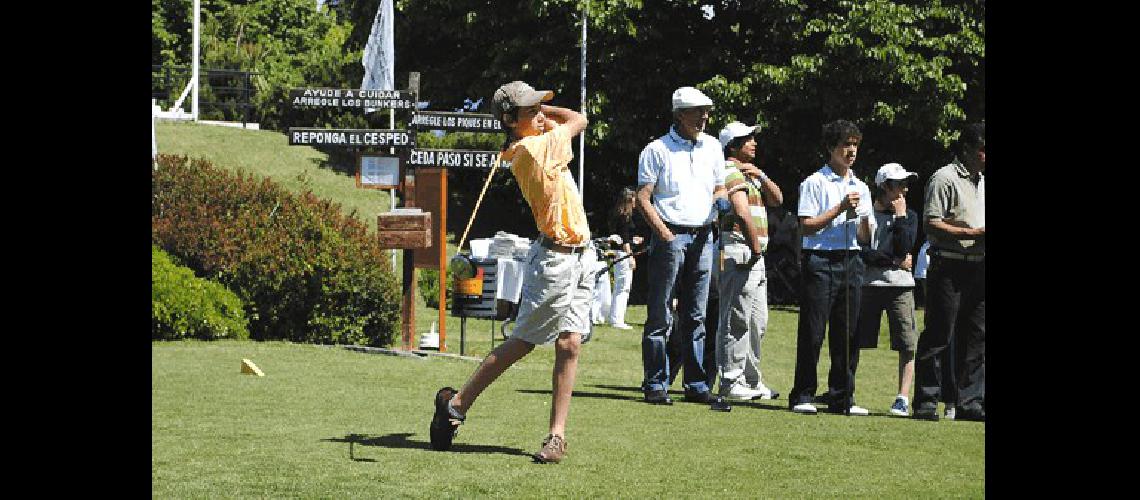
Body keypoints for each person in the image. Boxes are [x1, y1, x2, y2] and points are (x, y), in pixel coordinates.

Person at [430, 80, 593, 464]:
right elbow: (578, 119)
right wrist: (547, 115)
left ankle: (556, 437)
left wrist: (534, 112)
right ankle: (455, 405)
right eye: (530, 110)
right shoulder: (534, 149)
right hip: (554, 260)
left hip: (580, 254)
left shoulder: (533, 138)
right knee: (523, 342)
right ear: (508, 119)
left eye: (540, 107)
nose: (540, 114)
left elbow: (561, 121)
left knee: (570, 344)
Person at [635, 86, 727, 405]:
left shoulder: (713, 147)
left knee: (696, 314)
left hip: (704, 235)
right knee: (661, 312)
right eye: (697, 111)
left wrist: (722, 202)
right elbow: (643, 198)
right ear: (679, 114)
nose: (704, 117)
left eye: (707, 111)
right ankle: (655, 382)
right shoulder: (656, 150)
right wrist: (664, 233)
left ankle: (696, 383)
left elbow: (718, 187)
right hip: (671, 234)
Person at [787, 119, 874, 416]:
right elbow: (807, 227)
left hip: (852, 259)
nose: (851, 152)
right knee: (813, 330)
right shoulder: (814, 183)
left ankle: (842, 397)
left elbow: (866, 237)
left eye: (854, 146)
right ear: (830, 148)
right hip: (821, 260)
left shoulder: (861, 186)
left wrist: (862, 218)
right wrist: (839, 208)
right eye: (845, 145)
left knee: (847, 332)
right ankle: (803, 394)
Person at [912, 122, 985, 422]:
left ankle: (971, 402)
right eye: (983, 149)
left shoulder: (983, 181)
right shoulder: (944, 178)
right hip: (949, 263)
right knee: (940, 332)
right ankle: (927, 400)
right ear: (967, 149)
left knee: (978, 335)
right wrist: (971, 233)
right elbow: (931, 223)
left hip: (979, 266)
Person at [713, 121, 784, 401]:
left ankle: (751, 380)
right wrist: (755, 249)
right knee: (737, 318)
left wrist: (762, 176)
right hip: (742, 249)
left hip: (755, 253)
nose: (754, 143)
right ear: (733, 146)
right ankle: (731, 380)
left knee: (758, 322)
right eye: (748, 139)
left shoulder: (751, 174)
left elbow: (777, 199)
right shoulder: (729, 170)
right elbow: (741, 212)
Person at [854, 162, 919, 417]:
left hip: (900, 286)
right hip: (869, 284)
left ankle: (902, 397)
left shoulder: (909, 216)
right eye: (899, 184)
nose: (904, 189)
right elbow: (864, 252)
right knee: (856, 338)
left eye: (906, 184)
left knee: (906, 342)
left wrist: (901, 217)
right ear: (884, 186)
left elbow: (905, 247)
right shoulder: (867, 215)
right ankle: (848, 391)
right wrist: (892, 260)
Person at [607, 187, 643, 330]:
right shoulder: (624, 217)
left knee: (620, 287)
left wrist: (633, 240)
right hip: (623, 255)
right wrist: (631, 257)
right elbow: (624, 241)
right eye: (633, 201)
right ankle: (617, 319)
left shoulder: (617, 215)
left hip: (618, 253)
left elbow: (623, 237)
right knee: (623, 288)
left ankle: (615, 317)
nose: (635, 204)